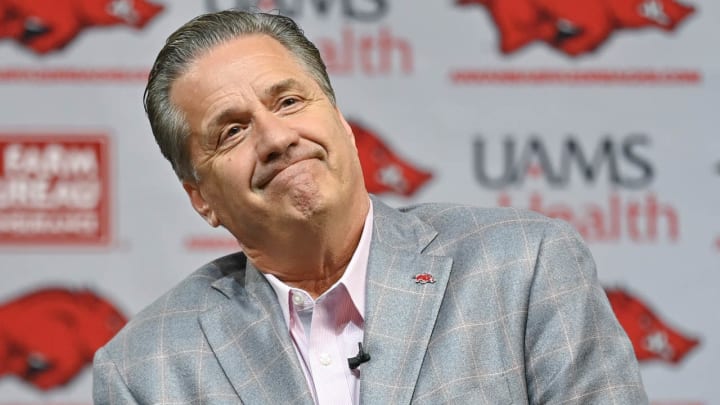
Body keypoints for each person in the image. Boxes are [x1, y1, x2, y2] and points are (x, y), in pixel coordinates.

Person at [92, 9, 648, 405]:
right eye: (232, 131)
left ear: (342, 123)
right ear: (201, 199)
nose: (277, 138)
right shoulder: (147, 368)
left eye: (289, 101)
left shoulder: (524, 267)